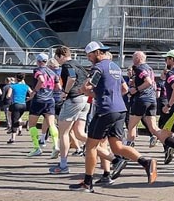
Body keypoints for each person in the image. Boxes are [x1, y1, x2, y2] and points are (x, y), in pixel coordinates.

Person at [71, 42, 157, 192]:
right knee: (117, 146)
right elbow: (124, 89)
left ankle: (87, 183)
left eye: (89, 55)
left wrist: (86, 91)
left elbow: (88, 85)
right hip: (120, 110)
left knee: (91, 146)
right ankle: (146, 162)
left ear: (97, 53)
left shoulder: (98, 68)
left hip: (105, 110)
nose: (88, 58)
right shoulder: (115, 67)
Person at [50, 45, 90, 176]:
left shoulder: (67, 66)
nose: (57, 61)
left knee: (64, 133)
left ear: (61, 56)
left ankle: (63, 165)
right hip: (85, 99)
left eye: (57, 58)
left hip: (73, 99)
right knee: (79, 133)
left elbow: (72, 78)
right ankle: (103, 150)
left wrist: (65, 92)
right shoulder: (80, 65)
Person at [125, 51, 160, 147]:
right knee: (153, 127)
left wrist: (136, 89)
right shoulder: (149, 69)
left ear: (139, 58)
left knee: (131, 125)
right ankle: (168, 142)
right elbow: (151, 83)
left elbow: (148, 82)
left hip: (142, 98)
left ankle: (129, 146)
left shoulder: (140, 68)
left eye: (133, 58)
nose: (132, 60)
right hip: (152, 99)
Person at [27, 54, 58, 156]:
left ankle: (36, 148)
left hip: (39, 100)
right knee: (51, 124)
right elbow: (58, 87)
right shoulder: (52, 72)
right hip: (50, 100)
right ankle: (56, 146)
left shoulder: (37, 70)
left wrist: (34, 91)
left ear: (38, 61)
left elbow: (41, 80)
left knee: (32, 125)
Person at [5, 75, 29, 144]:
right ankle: (21, 124)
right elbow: (31, 93)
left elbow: (8, 96)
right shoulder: (26, 86)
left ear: (16, 78)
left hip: (15, 104)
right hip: (23, 105)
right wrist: (28, 99)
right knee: (16, 119)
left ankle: (13, 138)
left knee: (13, 120)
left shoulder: (12, 86)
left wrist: (8, 97)